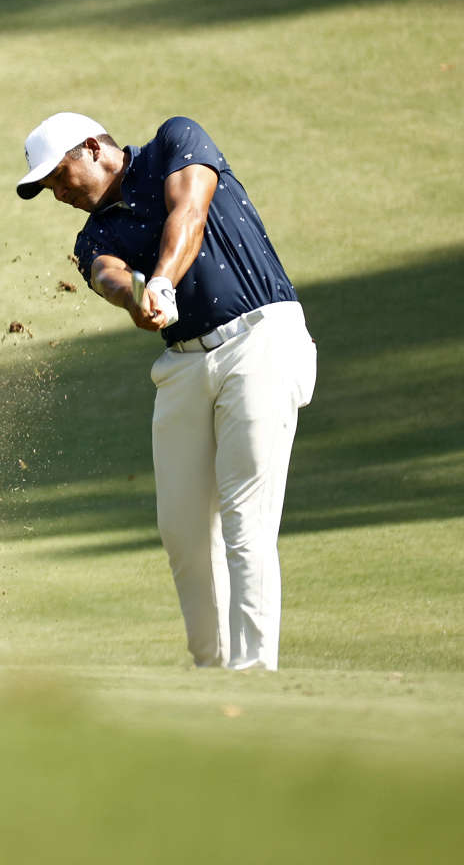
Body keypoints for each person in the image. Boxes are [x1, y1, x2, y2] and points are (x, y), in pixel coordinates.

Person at [16, 112, 316, 670]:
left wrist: (159, 280)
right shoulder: (93, 236)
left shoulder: (175, 142)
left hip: (261, 339)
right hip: (182, 365)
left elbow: (190, 210)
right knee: (182, 532)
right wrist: (135, 296)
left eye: (59, 177)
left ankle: (253, 676)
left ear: (92, 148)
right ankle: (212, 672)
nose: (58, 194)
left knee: (244, 516)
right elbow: (107, 273)